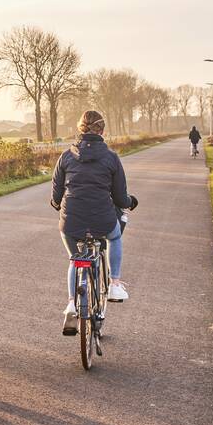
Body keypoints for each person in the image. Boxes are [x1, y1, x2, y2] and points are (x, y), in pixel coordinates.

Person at [51, 110, 138, 335]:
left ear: (80, 128)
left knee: (75, 258)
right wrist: (130, 202)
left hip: (71, 222)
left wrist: (59, 204)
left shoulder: (66, 157)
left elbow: (56, 197)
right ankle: (115, 285)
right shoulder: (111, 158)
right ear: (103, 130)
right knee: (115, 236)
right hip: (102, 218)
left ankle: (72, 303)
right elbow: (120, 198)